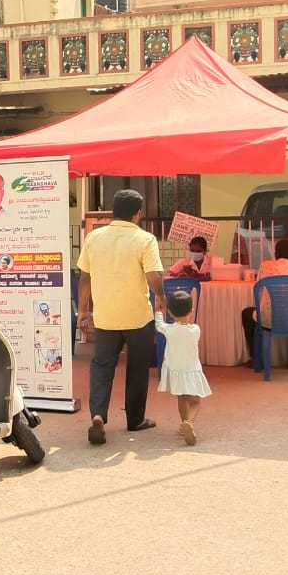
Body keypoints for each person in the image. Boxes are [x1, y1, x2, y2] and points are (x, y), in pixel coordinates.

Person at [77, 189, 165, 445]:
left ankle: (97, 416)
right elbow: (153, 276)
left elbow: (84, 276)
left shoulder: (93, 238)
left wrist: (83, 308)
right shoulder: (145, 239)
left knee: (102, 367)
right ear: (137, 214)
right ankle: (135, 420)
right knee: (137, 369)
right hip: (138, 316)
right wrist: (161, 297)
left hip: (105, 316)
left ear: (113, 211)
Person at [240, 238, 288, 369]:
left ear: (276, 254)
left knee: (246, 313)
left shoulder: (265, 266)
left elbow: (259, 289)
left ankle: (256, 358)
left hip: (267, 319)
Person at [156, 291, 212, 446]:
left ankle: (183, 424)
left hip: (176, 370)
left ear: (170, 312)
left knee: (181, 398)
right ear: (191, 310)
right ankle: (189, 423)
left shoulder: (169, 330)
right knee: (195, 401)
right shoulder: (195, 330)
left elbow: (158, 324)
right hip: (191, 369)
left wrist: (158, 311)